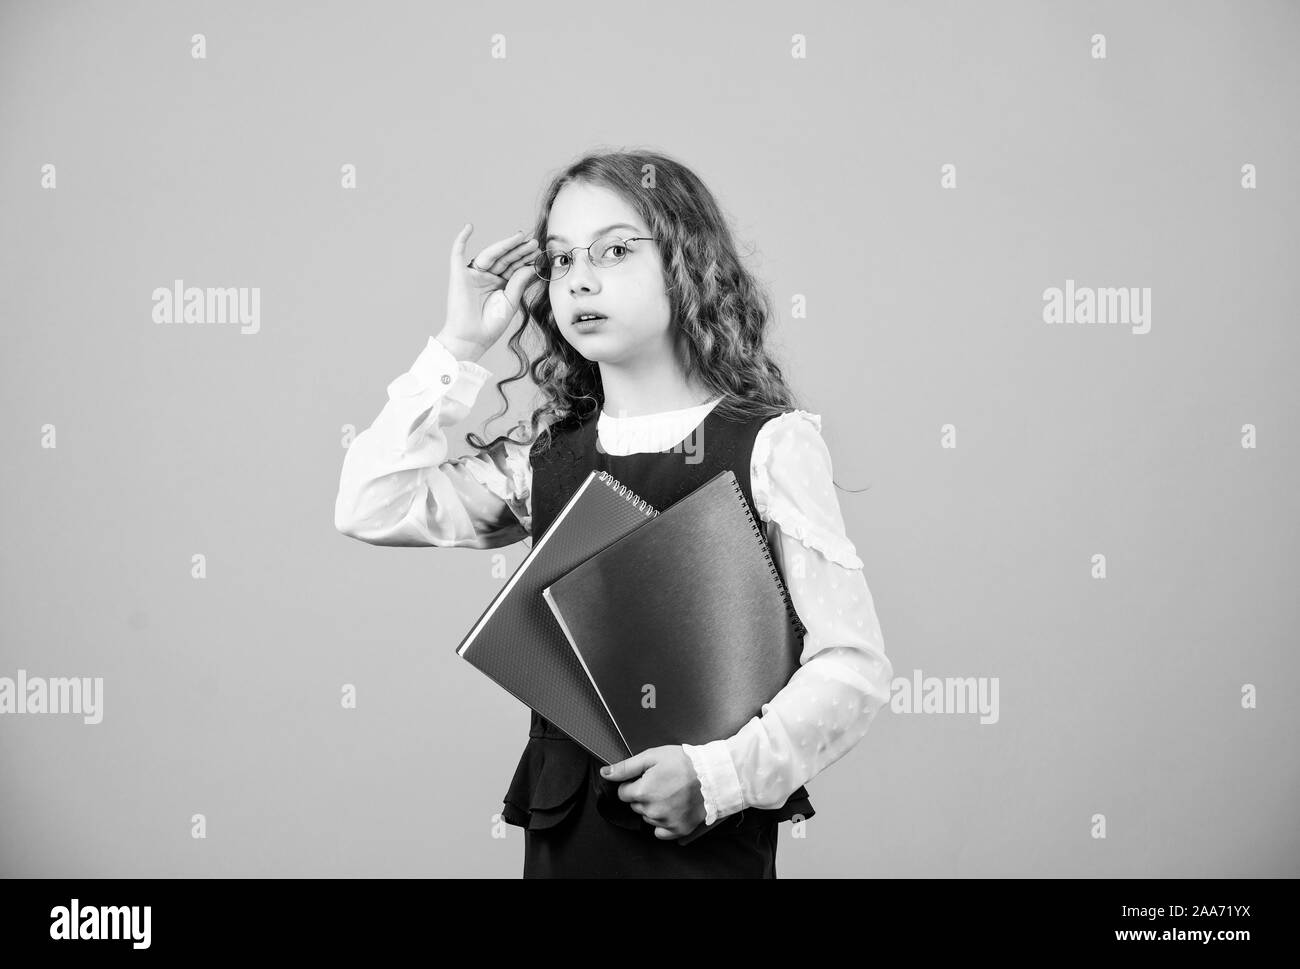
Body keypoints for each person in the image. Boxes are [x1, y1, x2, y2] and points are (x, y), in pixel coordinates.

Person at [334, 148, 893, 878]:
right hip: (568, 843)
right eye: (562, 261)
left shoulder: (767, 445)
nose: (581, 279)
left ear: (688, 261)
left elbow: (853, 666)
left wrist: (717, 775)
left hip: (701, 845)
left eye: (616, 251)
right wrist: (459, 346)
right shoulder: (547, 461)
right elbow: (370, 503)